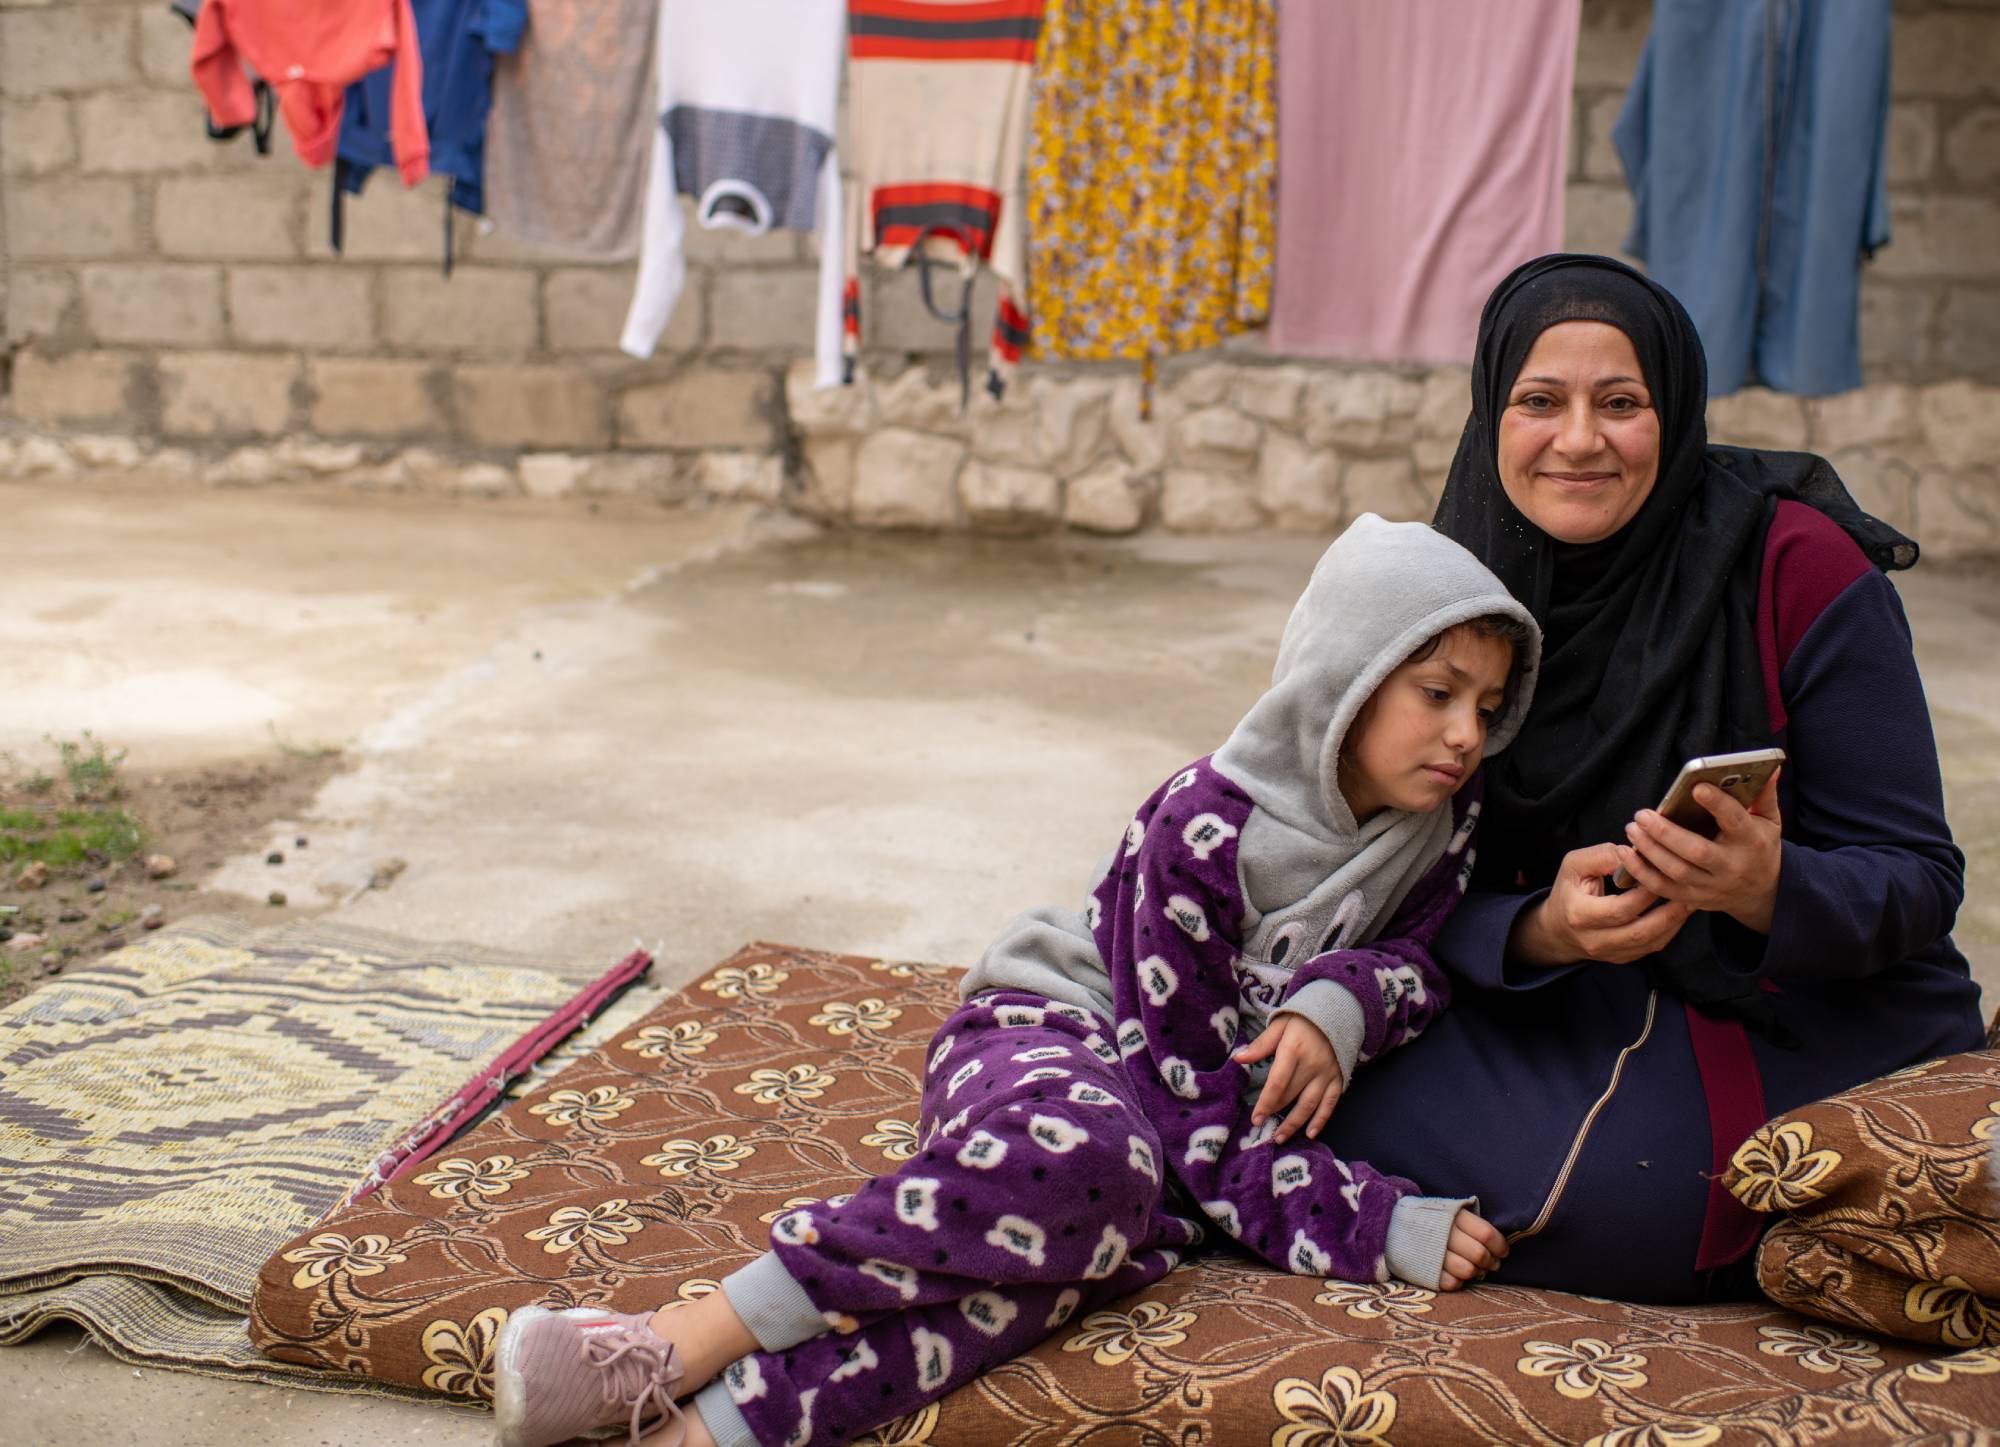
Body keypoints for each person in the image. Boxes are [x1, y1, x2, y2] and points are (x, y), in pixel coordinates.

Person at [489, 514, 1542, 1447]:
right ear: (1343, 679)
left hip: (1165, 1143)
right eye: (1435, 693)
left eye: (1485, 706)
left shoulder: (1437, 824)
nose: (1463, 734)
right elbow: (1192, 1108)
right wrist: (1369, 1223)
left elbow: (1419, 955)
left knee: (1043, 1274)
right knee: (1092, 1167)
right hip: (1057, 1033)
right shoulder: (1203, 822)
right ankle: (675, 1339)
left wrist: (1340, 1001)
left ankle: (702, 1432)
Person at [1320, 253, 1986, 1306]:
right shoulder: (1453, 593)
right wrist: (1539, 927)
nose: (1577, 440)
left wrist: (1764, 888)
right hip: (1544, 988)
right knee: (1277, 1078)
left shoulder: (1794, 566)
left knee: (1622, 1203)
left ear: (1670, 412)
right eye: (1539, 401)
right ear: (1491, 413)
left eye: (1618, 402)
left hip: (1785, 1001)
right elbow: (1372, 878)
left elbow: (1914, 877)